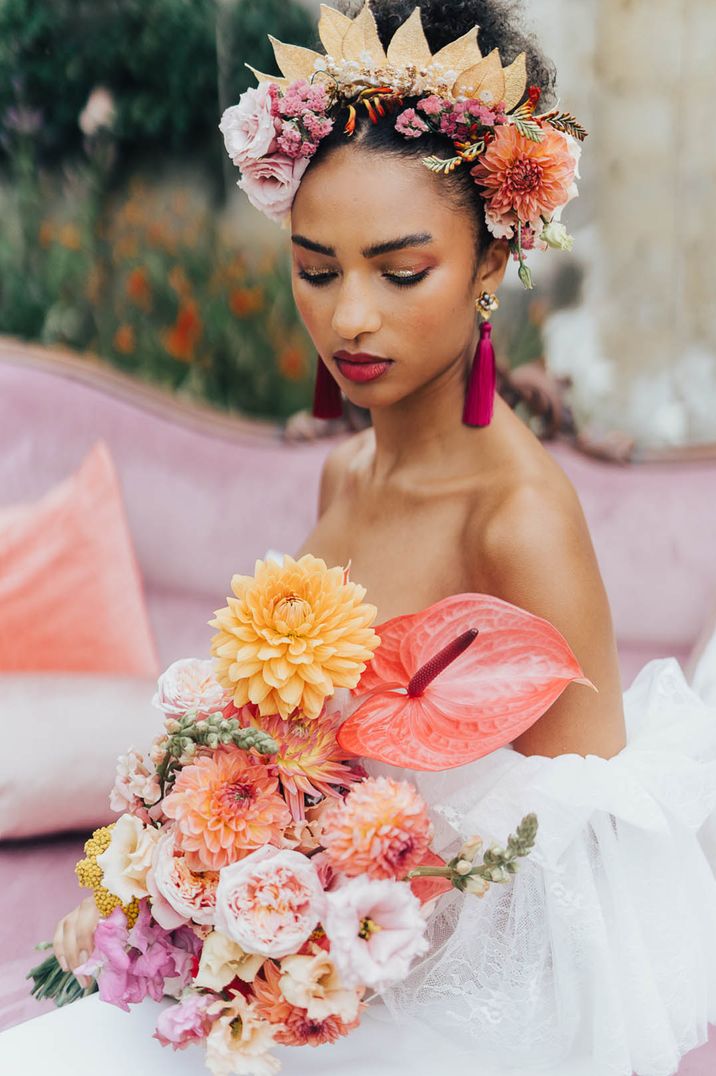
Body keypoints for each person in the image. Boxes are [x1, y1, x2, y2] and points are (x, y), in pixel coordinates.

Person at [54, 2, 716, 1072]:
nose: (349, 317)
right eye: (316, 270)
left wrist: (334, 938)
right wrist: (167, 903)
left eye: (398, 272)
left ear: (491, 263)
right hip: (285, 979)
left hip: (426, 1015)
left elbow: (591, 882)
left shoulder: (518, 518)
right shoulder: (345, 466)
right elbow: (291, 755)